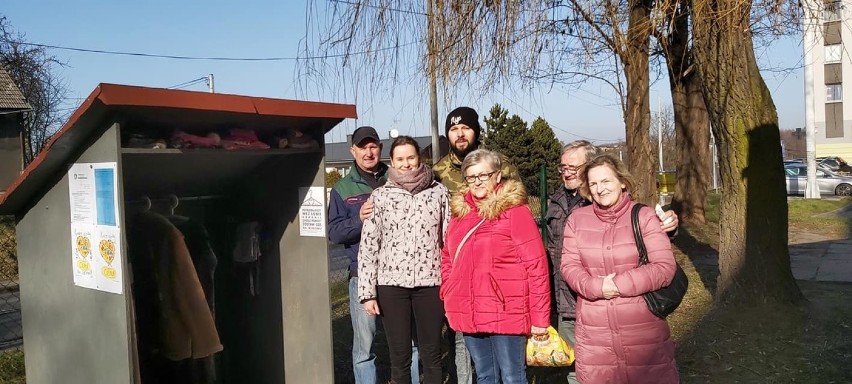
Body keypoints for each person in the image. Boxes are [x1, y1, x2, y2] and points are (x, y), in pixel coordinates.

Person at [544, 140, 678, 383]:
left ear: (622, 182)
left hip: (641, 327)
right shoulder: (576, 219)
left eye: (606, 181)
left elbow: (664, 267)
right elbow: (569, 265)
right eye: (594, 183)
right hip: (594, 329)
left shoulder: (643, 216)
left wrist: (618, 285)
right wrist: (596, 288)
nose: (600, 188)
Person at [441, 149, 551, 384]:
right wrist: (449, 289)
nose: (478, 182)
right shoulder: (459, 214)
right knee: (485, 375)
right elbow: (447, 256)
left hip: (506, 309)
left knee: (512, 377)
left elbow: (537, 266)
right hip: (469, 308)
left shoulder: (515, 212)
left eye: (484, 175)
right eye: (471, 177)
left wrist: (540, 319)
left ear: (498, 176)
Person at [432, 106, 519, 383]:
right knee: (460, 342)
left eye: (465, 128)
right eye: (454, 129)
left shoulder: (498, 165)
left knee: (503, 356)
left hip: (494, 273)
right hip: (457, 269)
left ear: (476, 130)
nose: (460, 133)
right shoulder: (437, 172)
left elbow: (515, 205)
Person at [327, 126, 419, 384]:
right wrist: (358, 219)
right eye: (363, 147)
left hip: (400, 275)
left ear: (380, 149)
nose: (369, 152)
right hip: (362, 277)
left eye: (373, 146)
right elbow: (334, 232)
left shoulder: (397, 178)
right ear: (352, 151)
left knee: (409, 342)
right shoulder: (342, 188)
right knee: (364, 348)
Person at [358, 136, 450, 384]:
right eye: (400, 159)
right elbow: (369, 246)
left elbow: (448, 240)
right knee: (399, 358)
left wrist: (451, 283)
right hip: (391, 286)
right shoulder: (380, 196)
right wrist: (367, 293)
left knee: (432, 355)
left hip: (430, 284)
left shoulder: (439, 193)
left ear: (419, 158)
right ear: (392, 162)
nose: (406, 164)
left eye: (411, 157)